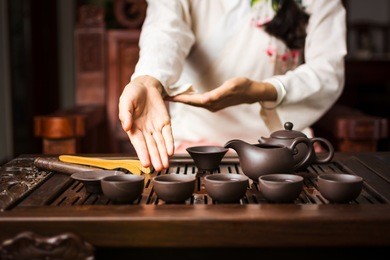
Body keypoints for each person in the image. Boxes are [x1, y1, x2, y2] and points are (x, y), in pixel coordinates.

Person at [118, 0, 347, 172]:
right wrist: (148, 79)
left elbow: (327, 70)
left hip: (284, 146)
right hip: (197, 145)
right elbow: (165, 32)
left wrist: (263, 91)